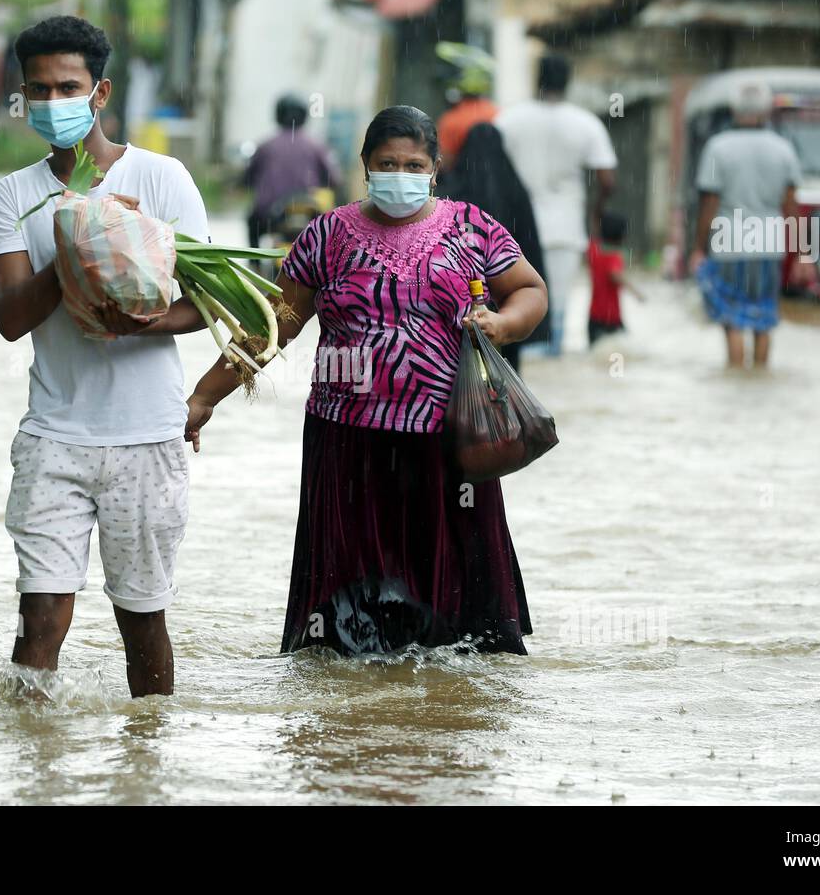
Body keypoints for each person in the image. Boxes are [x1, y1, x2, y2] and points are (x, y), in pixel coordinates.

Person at [184, 106, 548, 655]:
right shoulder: (327, 235)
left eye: (412, 164)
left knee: (456, 623)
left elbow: (531, 291)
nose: (399, 175)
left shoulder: (472, 227)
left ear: (434, 167)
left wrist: (503, 323)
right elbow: (274, 325)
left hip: (447, 439)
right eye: (386, 163)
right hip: (347, 440)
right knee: (347, 624)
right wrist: (203, 397)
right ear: (364, 166)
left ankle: (441, 710)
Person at [0, 16, 211, 697]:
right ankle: (35, 768)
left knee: (141, 625)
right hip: (54, 438)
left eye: (69, 87)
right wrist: (78, 235)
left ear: (101, 91)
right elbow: (9, 317)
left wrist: (133, 322)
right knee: (39, 622)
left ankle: (144, 767)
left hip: (147, 438)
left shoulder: (163, 179)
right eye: (39, 91)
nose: (54, 103)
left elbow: (204, 303)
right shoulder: (14, 196)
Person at [495, 54, 617, 356]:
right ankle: (553, 365)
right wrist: (597, 213)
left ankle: (521, 370)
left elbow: (489, 166)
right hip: (565, 227)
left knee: (516, 300)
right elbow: (607, 179)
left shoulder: (509, 119)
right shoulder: (586, 123)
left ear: (538, 79)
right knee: (557, 305)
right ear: (568, 82)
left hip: (516, 227)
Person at [689, 78, 803, 369]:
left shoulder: (717, 148)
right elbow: (792, 206)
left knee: (732, 319)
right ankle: (760, 376)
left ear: (734, 110)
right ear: (767, 111)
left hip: (729, 242)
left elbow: (709, 204)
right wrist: (805, 253)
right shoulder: (783, 149)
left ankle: (737, 376)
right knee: (763, 320)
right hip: (769, 243)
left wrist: (698, 248)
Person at [437, 121, 551, 363]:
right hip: (507, 289)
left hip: (468, 302)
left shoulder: (454, 195)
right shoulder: (516, 191)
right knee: (505, 364)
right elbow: (529, 248)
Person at [243, 94, 343, 247]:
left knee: (252, 223)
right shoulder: (317, 146)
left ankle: (255, 264)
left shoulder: (266, 146)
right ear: (304, 116)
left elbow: (248, 177)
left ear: (278, 115)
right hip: (309, 212)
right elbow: (335, 179)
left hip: (271, 215)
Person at [587, 211, 643, 345]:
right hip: (612, 319)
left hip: (593, 319)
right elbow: (614, 275)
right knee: (622, 353)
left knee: (596, 357)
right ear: (622, 237)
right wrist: (637, 293)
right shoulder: (614, 257)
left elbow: (595, 229)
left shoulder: (593, 251)